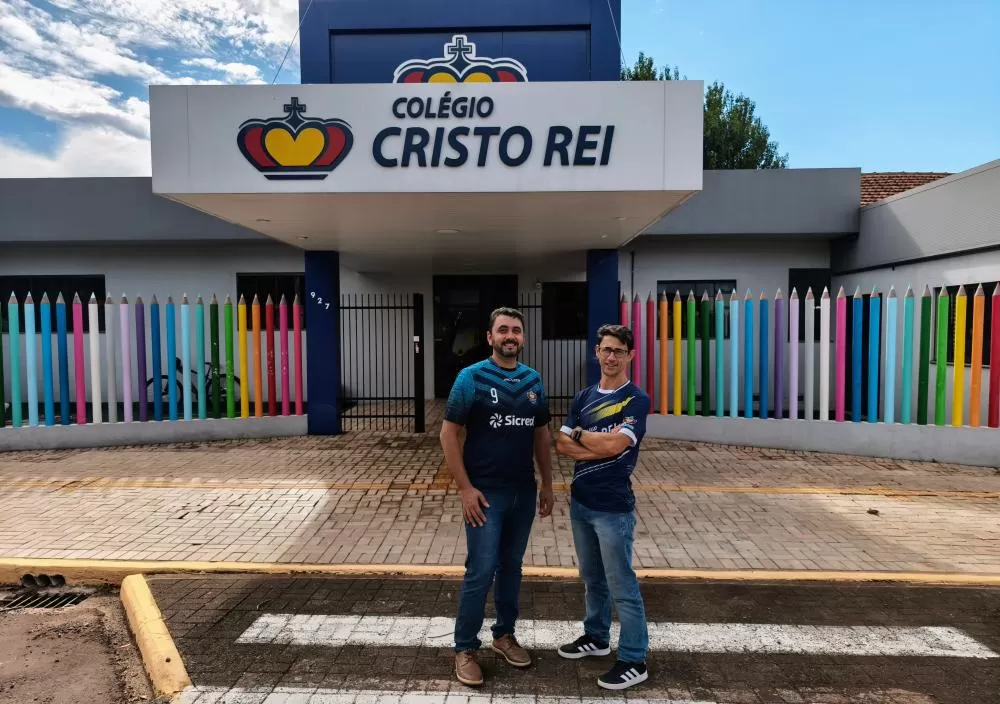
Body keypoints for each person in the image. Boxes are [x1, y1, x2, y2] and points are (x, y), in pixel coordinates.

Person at [439, 306, 555, 687]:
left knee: (512, 567)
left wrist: (548, 484)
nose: (510, 336)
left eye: (516, 331)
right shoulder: (469, 378)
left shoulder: (533, 380)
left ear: (522, 337)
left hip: (522, 491)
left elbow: (541, 436)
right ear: (490, 337)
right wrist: (464, 488)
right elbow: (448, 434)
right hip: (485, 495)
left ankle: (504, 635)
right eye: (502, 330)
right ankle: (465, 647)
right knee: (481, 569)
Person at [553, 323, 651, 691]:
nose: (611, 357)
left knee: (621, 583)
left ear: (630, 356)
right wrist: (596, 441)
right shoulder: (582, 397)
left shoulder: (636, 400)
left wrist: (579, 436)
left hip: (613, 507)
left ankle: (634, 657)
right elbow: (560, 446)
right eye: (606, 350)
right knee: (592, 579)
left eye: (619, 351)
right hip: (581, 502)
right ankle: (596, 637)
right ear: (596, 352)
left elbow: (616, 447)